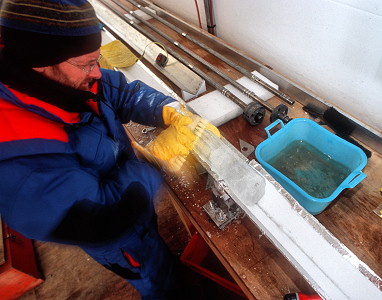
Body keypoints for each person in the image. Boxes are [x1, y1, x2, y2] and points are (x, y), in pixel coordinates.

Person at [0, 0, 218, 299]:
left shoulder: (64, 77)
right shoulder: (18, 157)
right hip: (118, 237)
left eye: (97, 60)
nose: (97, 72)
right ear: (39, 62)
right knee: (156, 276)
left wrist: (166, 109)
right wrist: (157, 163)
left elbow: (116, 90)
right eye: (87, 64)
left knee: (156, 246)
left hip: (131, 200)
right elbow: (106, 217)